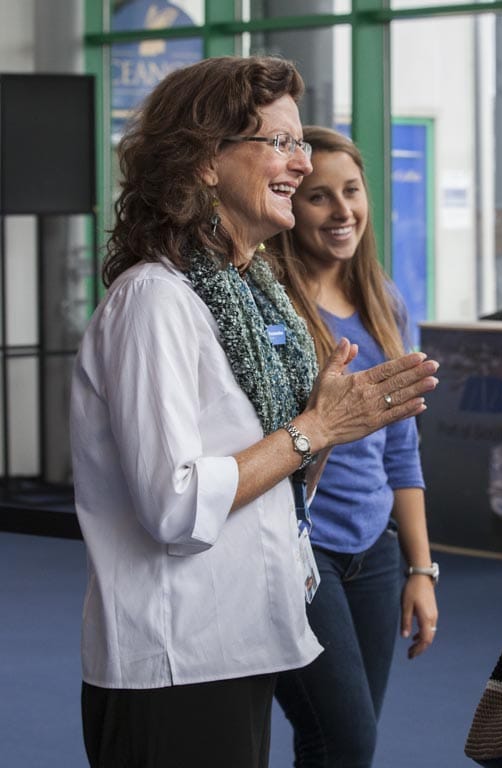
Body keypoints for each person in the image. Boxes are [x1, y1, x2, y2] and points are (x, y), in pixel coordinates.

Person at [70, 57, 439, 768]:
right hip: (175, 657)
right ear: (205, 162)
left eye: (300, 143)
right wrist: (315, 428)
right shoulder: (156, 301)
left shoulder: (249, 292)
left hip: (241, 640)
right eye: (279, 143)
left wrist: (332, 423)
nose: (300, 166)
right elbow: (175, 508)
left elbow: (280, 487)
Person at [268, 126, 438, 767]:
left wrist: (421, 570)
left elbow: (402, 452)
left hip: (376, 552)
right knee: (345, 737)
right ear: (289, 207)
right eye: (318, 197)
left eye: (352, 192)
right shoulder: (275, 311)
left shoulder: (384, 303)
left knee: (341, 746)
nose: (342, 213)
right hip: (303, 553)